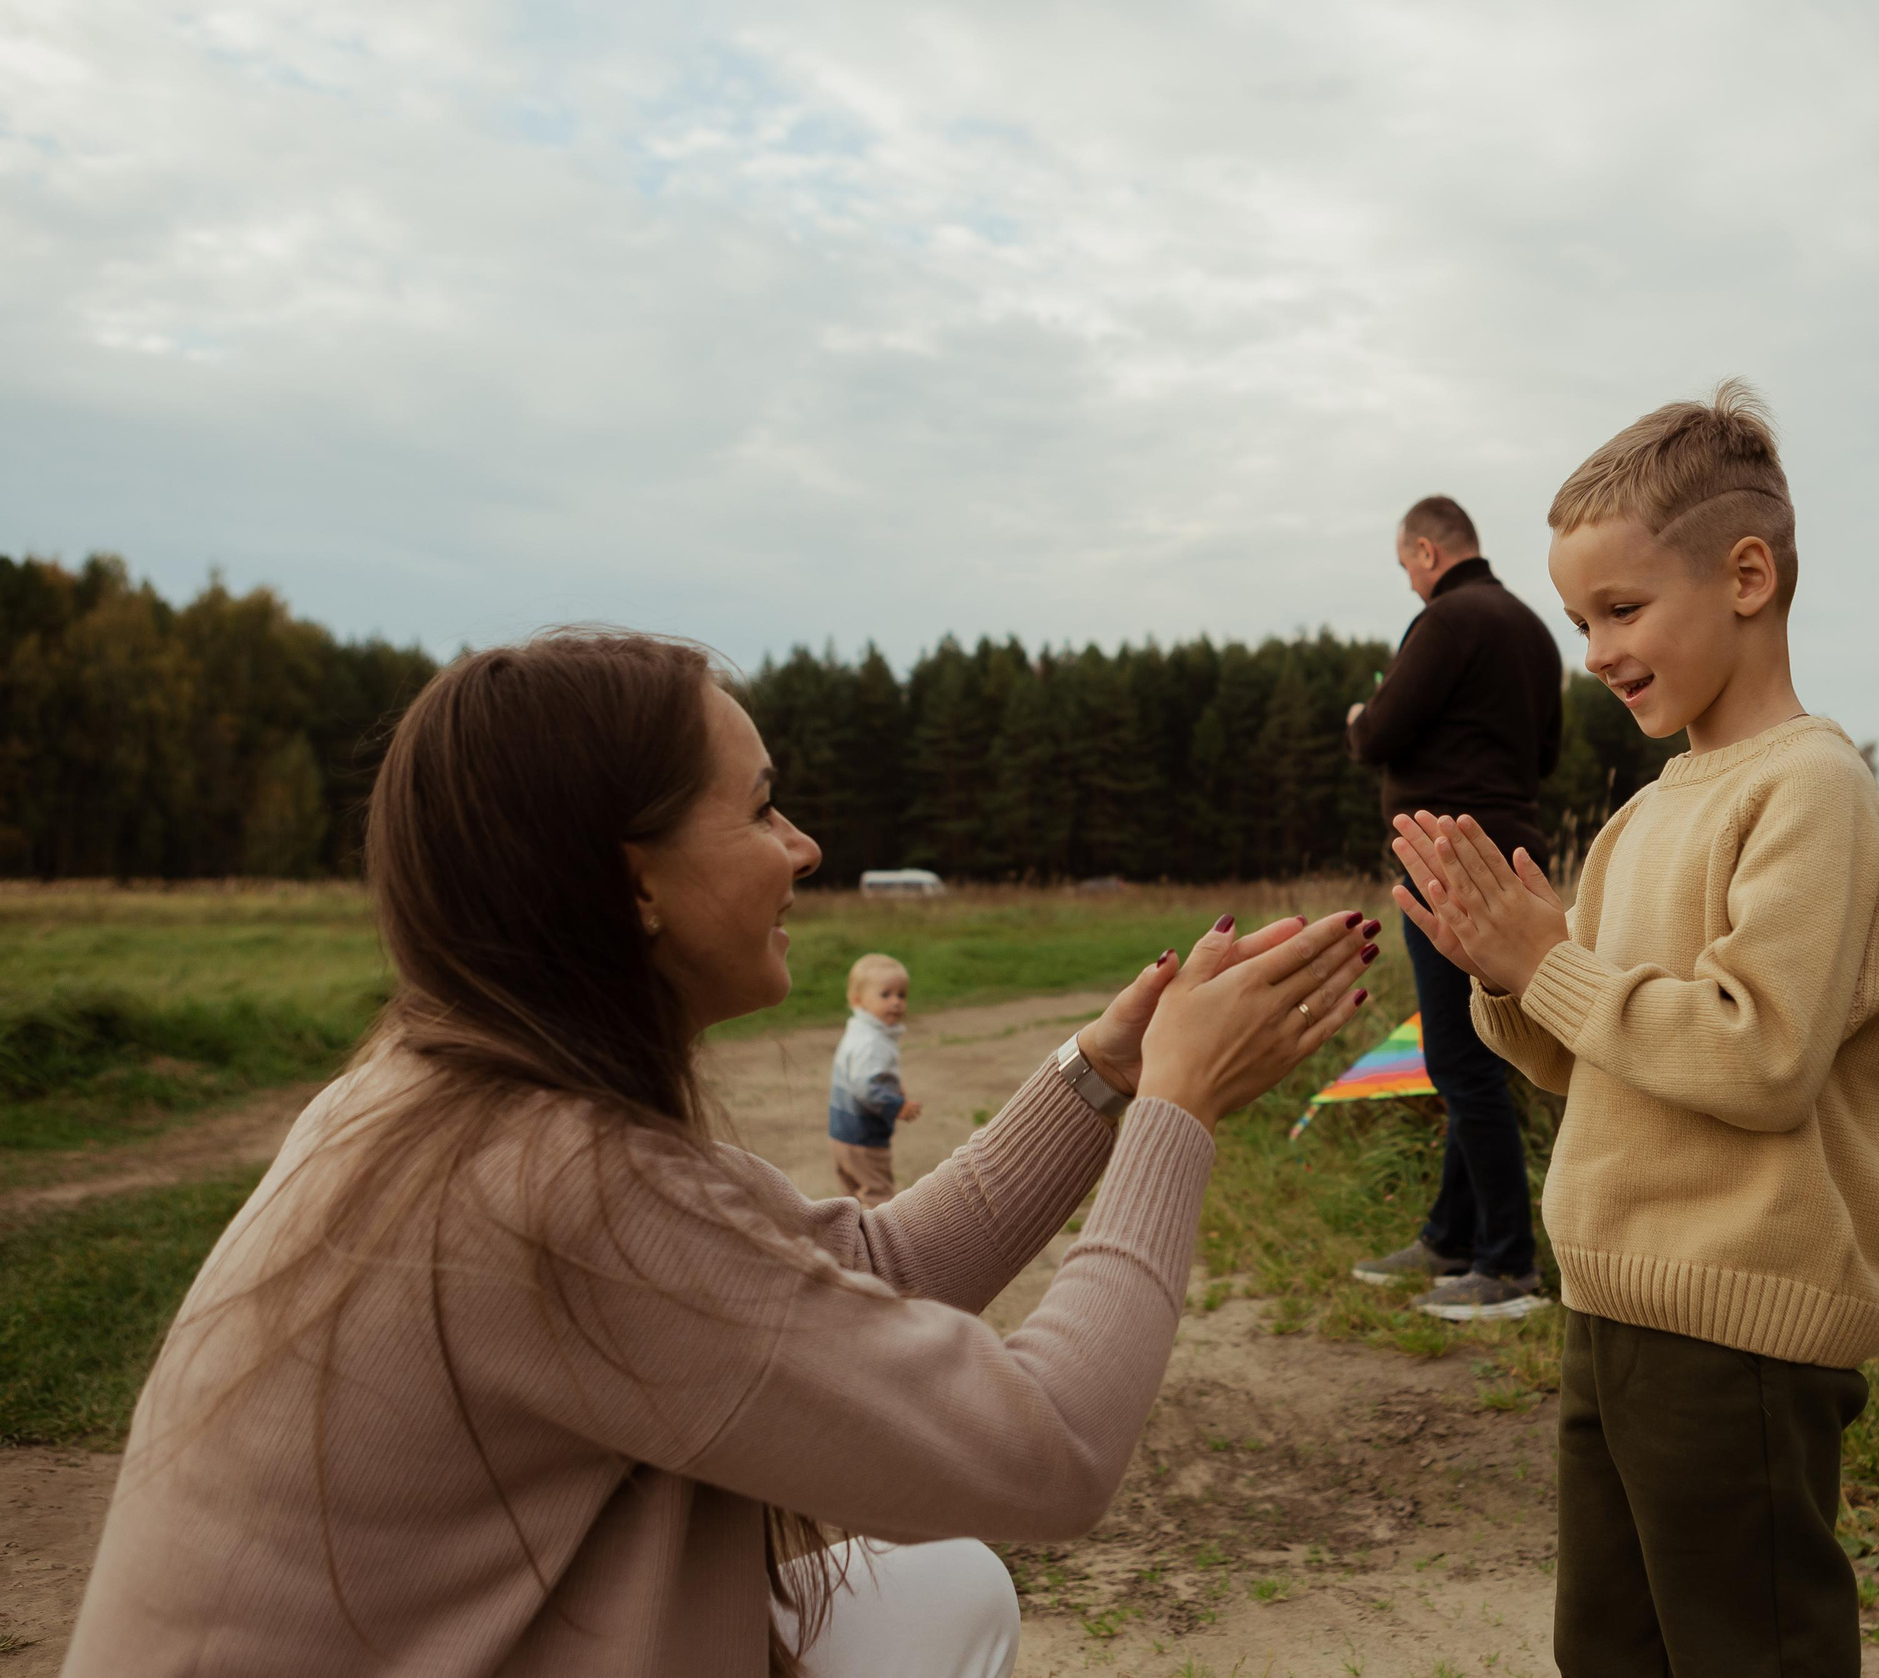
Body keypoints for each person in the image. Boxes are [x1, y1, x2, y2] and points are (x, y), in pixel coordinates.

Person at [64, 630, 1380, 1678]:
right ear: (630, 881)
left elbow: (864, 1266)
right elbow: (1046, 1448)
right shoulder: (558, 1189)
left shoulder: (444, 1090)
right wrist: (1179, 1114)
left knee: (941, 1590)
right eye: (760, 810)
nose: (803, 847)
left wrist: (1104, 1075)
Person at [1391, 384, 1879, 1678]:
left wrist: (1553, 963)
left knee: (1746, 1649)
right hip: (1617, 1299)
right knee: (1610, 1649)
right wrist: (1506, 977)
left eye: (1622, 609)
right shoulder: (1644, 811)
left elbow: (1758, 1051)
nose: (1595, 650)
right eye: (1582, 620)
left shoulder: (1812, 789)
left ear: (1748, 575)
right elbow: (1598, 1055)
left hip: (1737, 1329)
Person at [1344, 494, 1562, 1322]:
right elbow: (1547, 752)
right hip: (1513, 855)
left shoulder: (1445, 621)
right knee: (1481, 1049)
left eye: (1408, 566)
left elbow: (1381, 734)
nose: (1409, 582)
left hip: (1444, 855)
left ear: (1430, 552)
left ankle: (1507, 1265)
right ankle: (1449, 1237)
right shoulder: (1536, 632)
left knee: (1462, 1060)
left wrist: (1362, 716)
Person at [829, 953, 919, 1206]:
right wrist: (895, 1105)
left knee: (849, 1199)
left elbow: (862, 1075)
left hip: (841, 1132)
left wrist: (892, 1086)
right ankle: (880, 1244)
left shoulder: (858, 1030)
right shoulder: (873, 1041)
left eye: (902, 995)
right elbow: (866, 1086)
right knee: (878, 1197)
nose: (896, 1002)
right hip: (864, 1137)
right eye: (885, 994)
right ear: (858, 1000)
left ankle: (847, 1243)